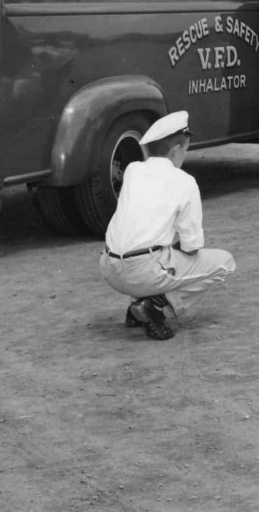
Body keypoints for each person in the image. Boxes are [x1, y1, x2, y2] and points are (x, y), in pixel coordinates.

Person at [99, 111, 235, 341]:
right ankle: (154, 306)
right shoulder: (185, 181)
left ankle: (138, 305)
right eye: (185, 149)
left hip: (109, 267)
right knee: (225, 262)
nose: (185, 155)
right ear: (176, 149)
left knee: (154, 247)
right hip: (143, 271)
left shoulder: (133, 171)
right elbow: (192, 246)